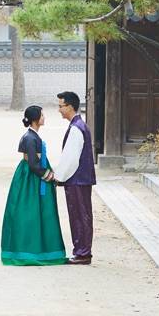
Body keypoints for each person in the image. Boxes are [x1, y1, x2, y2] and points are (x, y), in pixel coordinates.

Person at [0, 105, 68, 266]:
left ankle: (34, 250)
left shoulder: (31, 136)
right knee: (31, 213)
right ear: (36, 118)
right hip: (32, 179)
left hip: (31, 176)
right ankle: (31, 252)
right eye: (42, 115)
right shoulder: (30, 138)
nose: (44, 117)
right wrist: (50, 177)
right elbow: (33, 164)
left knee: (31, 212)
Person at [53, 91, 95, 265]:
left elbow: (70, 158)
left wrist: (58, 177)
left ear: (69, 107)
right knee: (81, 214)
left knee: (79, 215)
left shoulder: (76, 128)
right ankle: (81, 251)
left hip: (77, 180)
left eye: (60, 106)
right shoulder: (78, 126)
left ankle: (83, 252)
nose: (59, 110)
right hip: (80, 179)